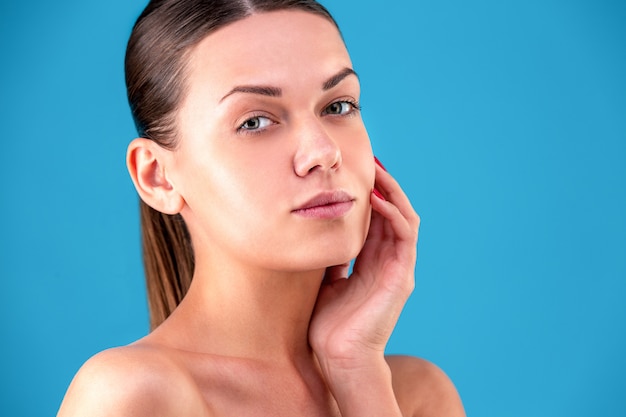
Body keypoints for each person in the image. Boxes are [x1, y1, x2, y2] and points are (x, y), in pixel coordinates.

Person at [57, 1, 465, 416]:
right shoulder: (132, 395)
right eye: (254, 121)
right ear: (157, 177)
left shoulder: (416, 395)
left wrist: (355, 366)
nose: (323, 152)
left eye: (338, 106)